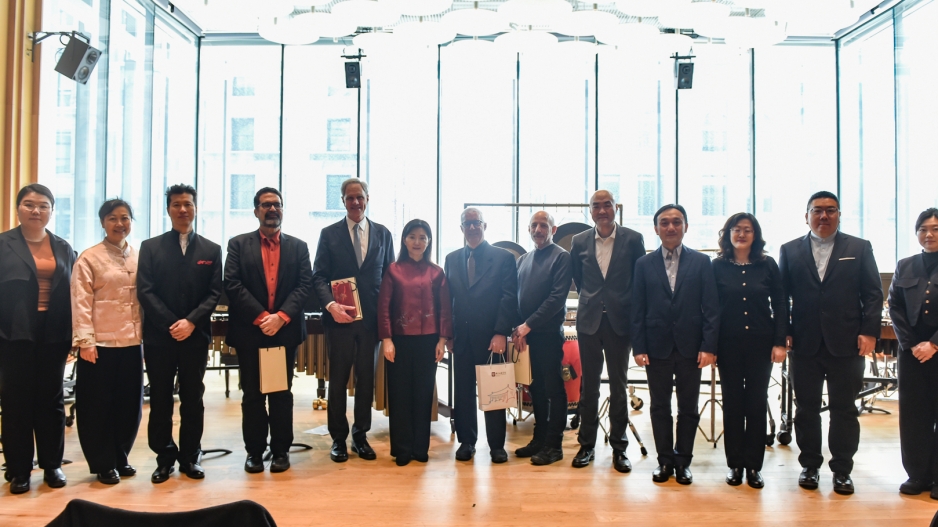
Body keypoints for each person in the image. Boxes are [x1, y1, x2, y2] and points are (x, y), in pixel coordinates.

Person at [779, 190, 882, 495]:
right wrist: (783, 330)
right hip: (804, 342)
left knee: (844, 409)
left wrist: (869, 331)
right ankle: (810, 466)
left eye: (831, 210)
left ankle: (842, 470)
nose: (824, 216)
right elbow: (782, 296)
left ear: (839, 214)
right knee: (805, 408)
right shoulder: (789, 250)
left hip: (847, 342)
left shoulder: (859, 248)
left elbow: (873, 293)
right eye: (817, 210)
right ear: (806, 215)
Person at [137, 184, 223, 483]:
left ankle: (190, 455)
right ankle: (164, 457)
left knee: (192, 397)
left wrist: (191, 323)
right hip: (160, 337)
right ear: (168, 209)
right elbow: (145, 291)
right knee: (160, 397)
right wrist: (172, 323)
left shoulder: (212, 250)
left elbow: (213, 294)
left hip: (195, 337)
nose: (182, 209)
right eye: (176, 204)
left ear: (195, 208)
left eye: (187, 204)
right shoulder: (150, 247)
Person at [224, 187, 313, 474]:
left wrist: (282, 317)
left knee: (280, 393)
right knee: (252, 395)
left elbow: (304, 286)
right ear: (256, 211)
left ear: (283, 210)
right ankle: (254, 452)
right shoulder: (238, 245)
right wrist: (263, 316)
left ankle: (280, 451)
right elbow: (232, 284)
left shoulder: (298, 247)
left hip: (283, 334)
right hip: (251, 332)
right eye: (265, 205)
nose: (272, 209)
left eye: (277, 204)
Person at [631, 204, 720, 485]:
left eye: (677, 222)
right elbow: (637, 309)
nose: (671, 227)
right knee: (659, 407)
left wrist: (709, 346)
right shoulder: (643, 264)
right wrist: (639, 347)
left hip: (691, 348)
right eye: (665, 223)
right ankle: (665, 461)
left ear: (686, 227)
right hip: (655, 347)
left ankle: (683, 462)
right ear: (656, 229)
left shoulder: (701, 262)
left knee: (688, 408)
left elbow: (711, 308)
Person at [311, 178, 395, 463]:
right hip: (339, 320)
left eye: (360, 197)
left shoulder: (383, 234)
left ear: (368, 198)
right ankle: (338, 439)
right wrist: (330, 304)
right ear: (343, 201)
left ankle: (360, 436)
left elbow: (390, 280)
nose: (355, 202)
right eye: (350, 198)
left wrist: (388, 325)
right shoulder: (329, 234)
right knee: (337, 381)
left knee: (366, 381)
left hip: (370, 322)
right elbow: (318, 276)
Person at [0, 184, 76, 494]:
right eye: (29, 204)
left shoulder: (62, 247)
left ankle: (52, 464)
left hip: (54, 334)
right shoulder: (4, 244)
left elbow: (73, 292)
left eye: (43, 205)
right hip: (13, 334)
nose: (36, 210)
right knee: (16, 402)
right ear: (18, 209)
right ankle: (19, 470)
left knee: (51, 400)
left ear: (51, 211)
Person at [568, 190, 645, 472]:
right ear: (590, 211)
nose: (602, 210)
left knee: (619, 386)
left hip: (619, 322)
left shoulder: (633, 239)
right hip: (588, 322)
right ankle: (586, 445)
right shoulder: (578, 241)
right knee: (588, 387)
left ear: (615, 208)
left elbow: (639, 279)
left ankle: (619, 448)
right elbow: (578, 278)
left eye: (607, 205)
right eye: (596, 206)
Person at [712, 213, 787, 489]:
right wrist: (710, 346)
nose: (742, 234)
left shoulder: (767, 264)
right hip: (727, 344)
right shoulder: (716, 266)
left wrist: (780, 342)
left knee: (755, 403)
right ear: (728, 233)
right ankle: (734, 465)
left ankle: (754, 466)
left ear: (755, 235)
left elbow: (780, 304)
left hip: (761, 343)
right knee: (732, 404)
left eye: (748, 230)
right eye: (737, 229)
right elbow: (710, 308)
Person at [72, 199, 144, 485]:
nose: (119, 224)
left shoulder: (139, 256)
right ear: (102, 222)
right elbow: (80, 302)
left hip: (131, 344)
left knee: (129, 406)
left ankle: (120, 455)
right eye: (112, 218)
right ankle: (103, 462)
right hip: (98, 346)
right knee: (97, 407)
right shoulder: (89, 258)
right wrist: (85, 341)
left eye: (125, 218)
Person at [444, 207, 518, 463]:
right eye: (467, 223)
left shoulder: (503, 258)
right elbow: (448, 301)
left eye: (477, 223)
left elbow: (509, 298)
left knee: (495, 389)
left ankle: (497, 445)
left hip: (491, 339)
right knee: (463, 392)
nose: (472, 227)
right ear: (461, 228)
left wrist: (501, 332)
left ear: (485, 226)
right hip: (461, 339)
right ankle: (467, 441)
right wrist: (449, 335)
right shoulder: (452, 259)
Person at [377, 219, 452, 466]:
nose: (417, 242)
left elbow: (444, 309)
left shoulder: (437, 272)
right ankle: (401, 448)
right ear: (404, 240)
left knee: (422, 394)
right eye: (412, 237)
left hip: (429, 341)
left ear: (429, 241)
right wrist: (386, 339)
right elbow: (384, 306)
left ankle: (420, 447)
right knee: (399, 394)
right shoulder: (393, 269)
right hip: (398, 341)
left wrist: (442, 338)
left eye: (422, 237)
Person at [512, 211, 572, 466]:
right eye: (534, 225)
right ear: (528, 228)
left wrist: (528, 325)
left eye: (543, 225)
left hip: (547, 335)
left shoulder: (561, 257)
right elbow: (517, 297)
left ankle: (554, 444)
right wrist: (519, 329)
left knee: (553, 388)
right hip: (527, 336)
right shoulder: (524, 259)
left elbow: (557, 299)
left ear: (553, 229)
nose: (538, 229)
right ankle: (539, 438)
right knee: (535, 388)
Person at [888, 208, 938, 498]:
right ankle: (917, 475)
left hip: (936, 347)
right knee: (913, 414)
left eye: (935, 228)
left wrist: (933, 344)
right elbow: (894, 306)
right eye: (923, 229)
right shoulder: (905, 265)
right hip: (911, 352)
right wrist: (911, 343)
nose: (929, 234)